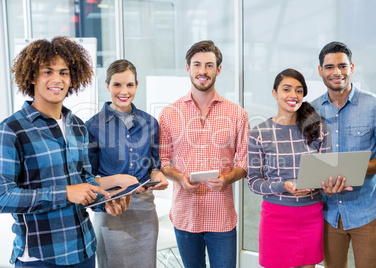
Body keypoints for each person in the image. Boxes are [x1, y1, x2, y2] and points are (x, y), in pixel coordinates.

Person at [0, 36, 136, 267]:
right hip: (41, 257)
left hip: (84, 250)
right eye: (47, 72)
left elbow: (84, 180)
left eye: (64, 72)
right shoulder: (12, 130)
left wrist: (105, 201)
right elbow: (3, 197)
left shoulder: (77, 125)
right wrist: (64, 193)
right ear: (32, 76)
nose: (57, 79)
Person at [158, 40, 250, 268]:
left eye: (209, 65)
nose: (203, 71)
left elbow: (246, 162)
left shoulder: (237, 114)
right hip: (185, 215)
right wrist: (179, 177)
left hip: (222, 216)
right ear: (188, 68)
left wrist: (228, 178)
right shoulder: (169, 114)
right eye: (197, 64)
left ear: (218, 69)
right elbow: (162, 161)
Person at [311, 41, 376, 268]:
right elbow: (307, 157)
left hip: (367, 213)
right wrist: (319, 182)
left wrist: (355, 170)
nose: (337, 72)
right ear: (320, 70)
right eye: (330, 67)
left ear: (352, 68)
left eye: (342, 66)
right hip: (329, 214)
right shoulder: (310, 111)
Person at [85, 59, 169, 268]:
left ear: (137, 86)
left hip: (145, 213)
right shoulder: (92, 126)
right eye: (117, 85)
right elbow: (88, 176)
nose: (124, 91)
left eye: (129, 85)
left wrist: (158, 176)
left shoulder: (150, 123)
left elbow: (154, 166)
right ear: (107, 86)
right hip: (111, 211)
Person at [247, 68, 334, 268]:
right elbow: (253, 182)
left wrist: (326, 184)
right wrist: (283, 187)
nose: (293, 95)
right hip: (276, 217)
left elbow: (325, 173)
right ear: (274, 93)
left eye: (299, 90)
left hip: (311, 215)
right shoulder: (259, 133)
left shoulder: (318, 129)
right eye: (287, 89)